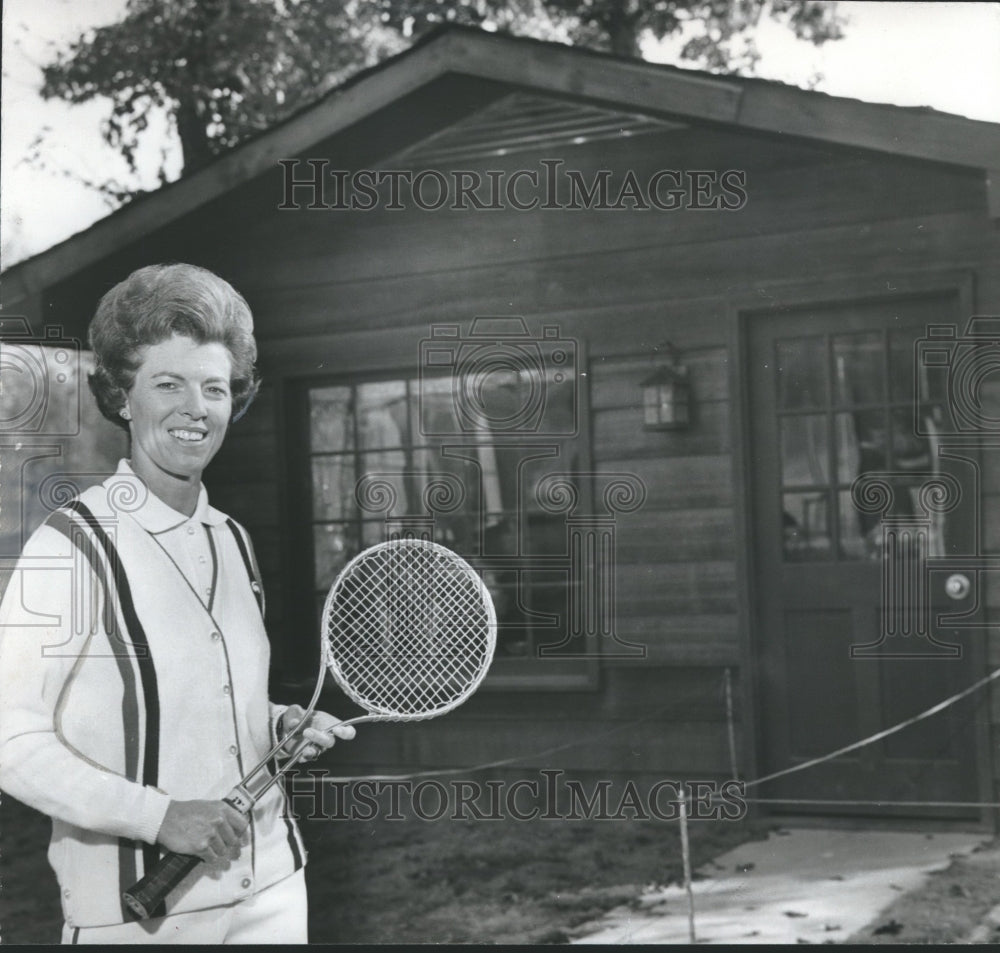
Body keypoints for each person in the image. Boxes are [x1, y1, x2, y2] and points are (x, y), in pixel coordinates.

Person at [0, 263, 354, 944]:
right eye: (168, 383)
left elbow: (213, 698)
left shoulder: (232, 539)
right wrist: (158, 814)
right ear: (122, 397)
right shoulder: (72, 544)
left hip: (274, 891)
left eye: (214, 387)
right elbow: (9, 737)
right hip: (143, 914)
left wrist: (276, 723)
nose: (196, 407)